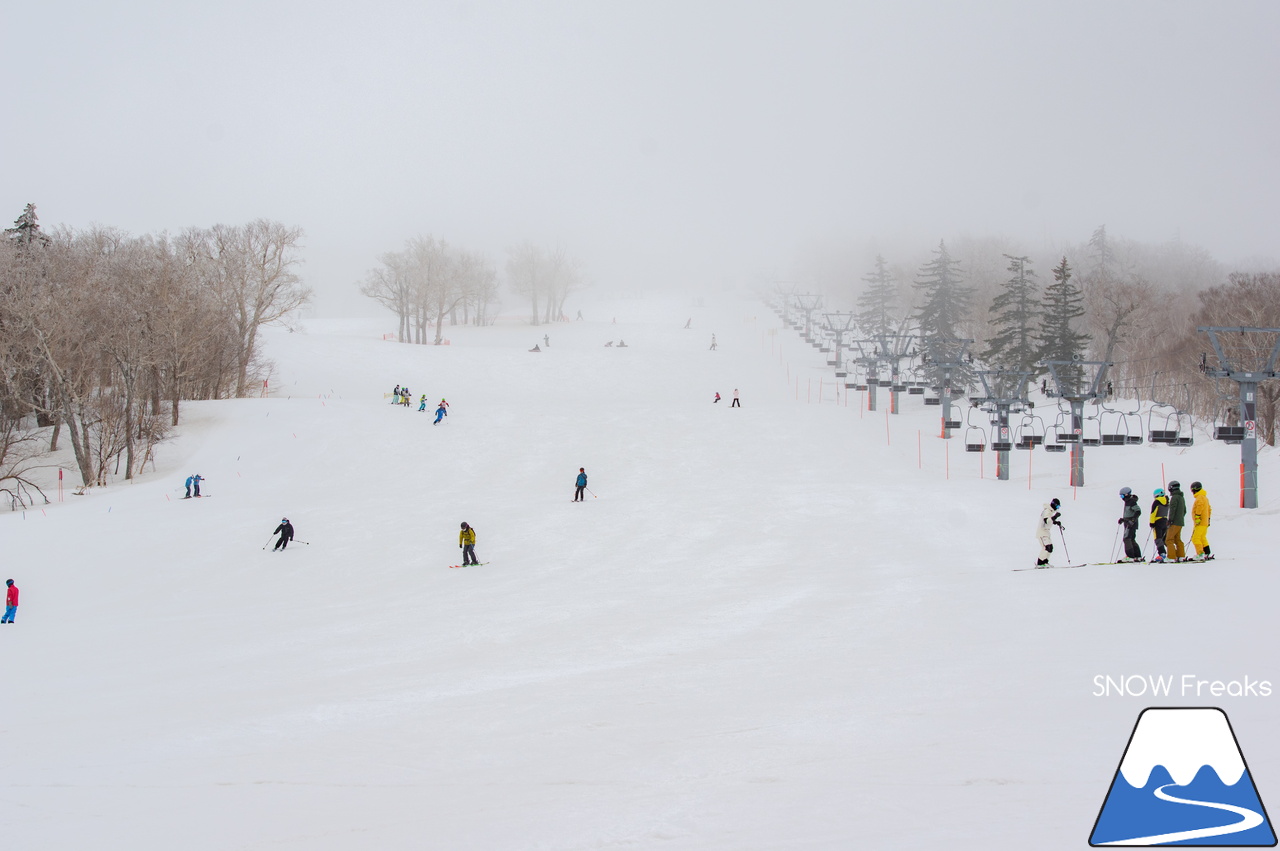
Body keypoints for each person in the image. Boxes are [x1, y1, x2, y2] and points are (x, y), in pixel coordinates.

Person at [1035, 498, 1065, 567]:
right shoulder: (1047, 511)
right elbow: (1047, 521)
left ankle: (1045, 562)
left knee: (1050, 548)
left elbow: (1050, 521)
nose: (1057, 508)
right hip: (1042, 532)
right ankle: (1040, 563)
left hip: (1046, 532)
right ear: (1054, 505)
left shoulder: (1050, 511)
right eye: (1057, 506)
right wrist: (1055, 517)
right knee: (1047, 547)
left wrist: (1056, 522)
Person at [1117, 487, 1144, 562]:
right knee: (1131, 539)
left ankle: (1130, 556)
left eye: (1122, 496)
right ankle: (1137, 556)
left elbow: (1138, 511)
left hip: (1130, 524)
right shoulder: (1128, 502)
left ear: (1126, 495)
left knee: (1127, 539)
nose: (1121, 498)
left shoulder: (1131, 502)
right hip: (1129, 523)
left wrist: (1132, 520)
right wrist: (1123, 520)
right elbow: (1129, 513)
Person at [1190, 481, 1213, 561]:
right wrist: (1208, 519)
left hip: (1200, 522)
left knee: (1195, 538)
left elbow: (1199, 507)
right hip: (1205, 522)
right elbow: (1209, 509)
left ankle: (1200, 554)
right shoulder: (1205, 497)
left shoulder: (1200, 497)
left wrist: (1197, 517)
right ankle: (1206, 552)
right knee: (1202, 537)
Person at [1166, 480, 1187, 562]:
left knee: (1169, 539)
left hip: (1174, 522)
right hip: (1180, 522)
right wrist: (1180, 518)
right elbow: (1184, 510)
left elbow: (1172, 510)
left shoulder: (1174, 498)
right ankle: (1181, 556)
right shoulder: (1181, 497)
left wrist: (1170, 520)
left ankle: (1171, 557)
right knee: (1177, 539)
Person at [1149, 488, 1170, 563]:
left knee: (1158, 538)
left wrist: (1151, 522)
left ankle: (1162, 554)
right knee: (1164, 538)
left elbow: (1153, 513)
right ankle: (1172, 553)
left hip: (1157, 521)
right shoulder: (1167, 501)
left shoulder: (1156, 502)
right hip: (1165, 520)